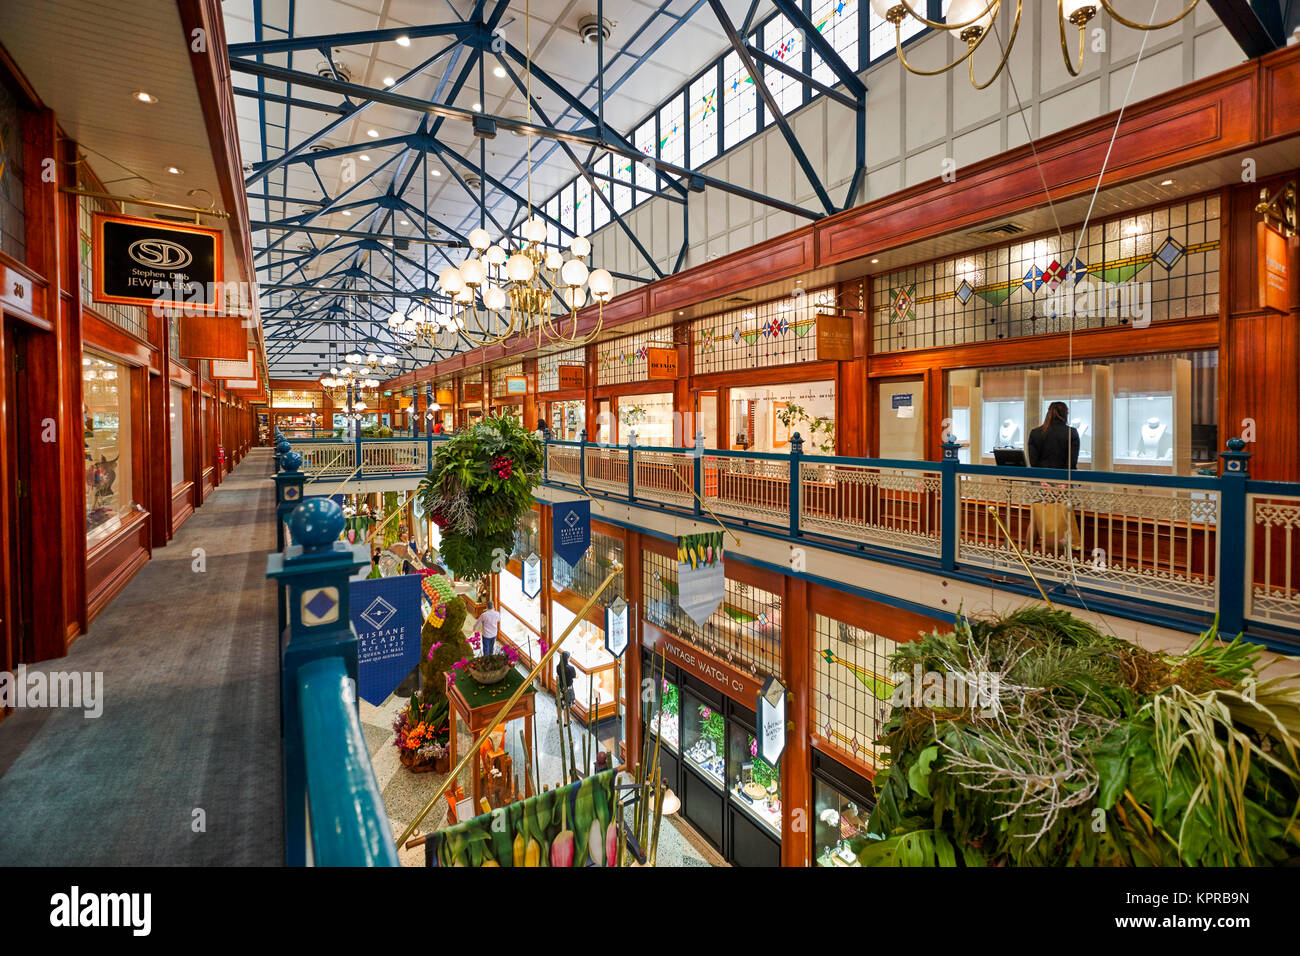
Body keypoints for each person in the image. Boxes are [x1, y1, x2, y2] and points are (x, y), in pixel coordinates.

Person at [1027, 401, 1080, 470]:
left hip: (1041, 478)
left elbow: (1033, 463)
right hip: (1064, 478)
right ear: (1066, 414)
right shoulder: (1071, 432)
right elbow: (1071, 463)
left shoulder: (1035, 433)